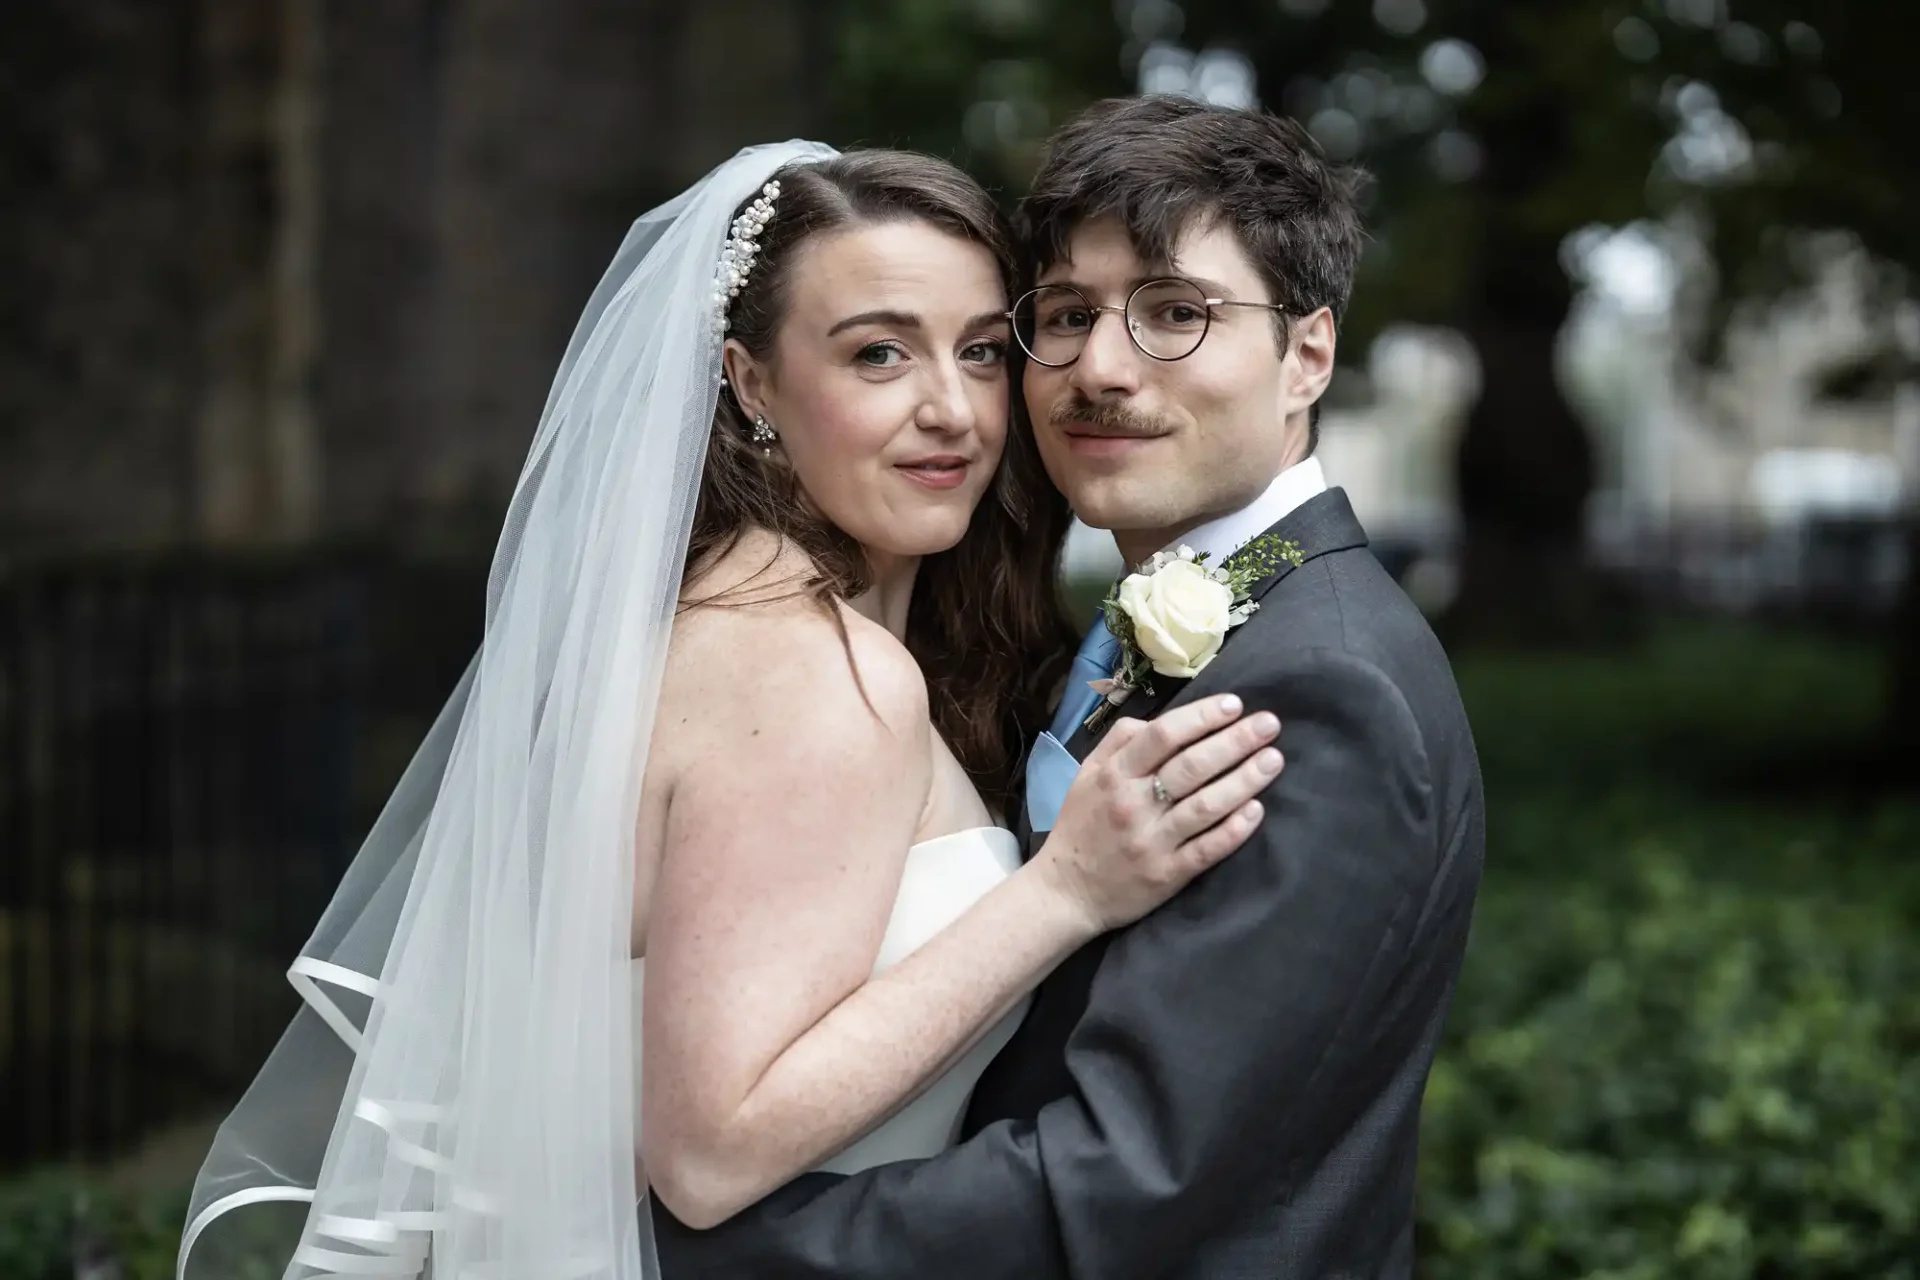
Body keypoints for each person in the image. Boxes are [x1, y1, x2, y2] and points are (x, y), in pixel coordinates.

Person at [176, 140, 1282, 1280]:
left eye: (984, 351)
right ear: (751, 381)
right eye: (879, 353)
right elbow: (709, 1151)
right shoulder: (803, 665)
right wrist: (1065, 893)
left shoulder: (713, 621)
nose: (952, 408)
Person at [652, 97, 1486, 1279]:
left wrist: (659, 1254)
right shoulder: (1087, 637)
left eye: (1175, 314)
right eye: (1063, 316)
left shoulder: (1318, 681)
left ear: (1307, 354)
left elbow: (1127, 1178)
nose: (1099, 366)